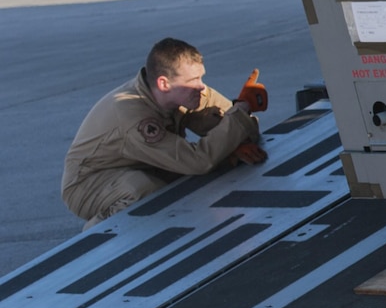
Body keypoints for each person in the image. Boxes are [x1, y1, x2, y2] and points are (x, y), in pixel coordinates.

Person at [61, 38, 264, 225]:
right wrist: (241, 113)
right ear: (164, 83)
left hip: (144, 164)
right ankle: (97, 236)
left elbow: (239, 124)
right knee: (144, 191)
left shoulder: (185, 91)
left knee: (202, 175)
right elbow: (199, 161)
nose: (202, 87)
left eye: (201, 77)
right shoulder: (133, 116)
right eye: (194, 79)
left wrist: (238, 131)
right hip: (90, 182)